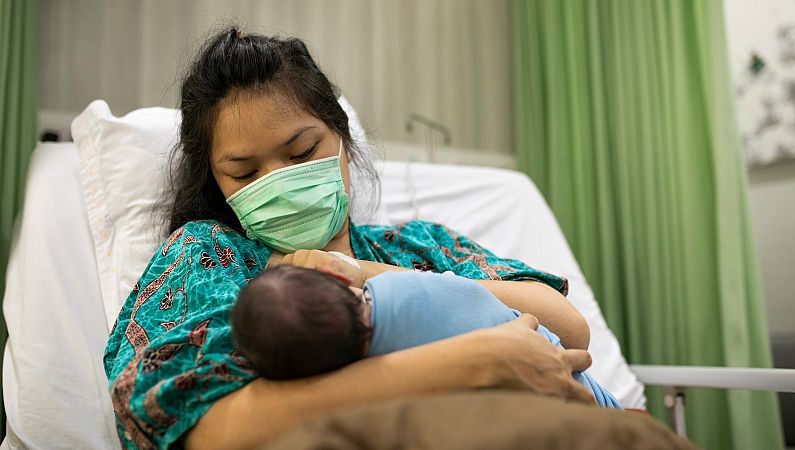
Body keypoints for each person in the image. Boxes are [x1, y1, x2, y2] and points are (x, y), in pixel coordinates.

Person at [103, 28, 596, 450]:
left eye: (301, 153)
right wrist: (468, 364)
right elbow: (196, 427)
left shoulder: (418, 245)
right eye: (245, 173)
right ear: (216, 185)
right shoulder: (210, 258)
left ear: (341, 138)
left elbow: (568, 328)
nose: (278, 182)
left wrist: (361, 272)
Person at [230, 265, 620, 408]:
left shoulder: (364, 381)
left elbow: (573, 330)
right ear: (336, 277)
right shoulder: (405, 287)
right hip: (589, 403)